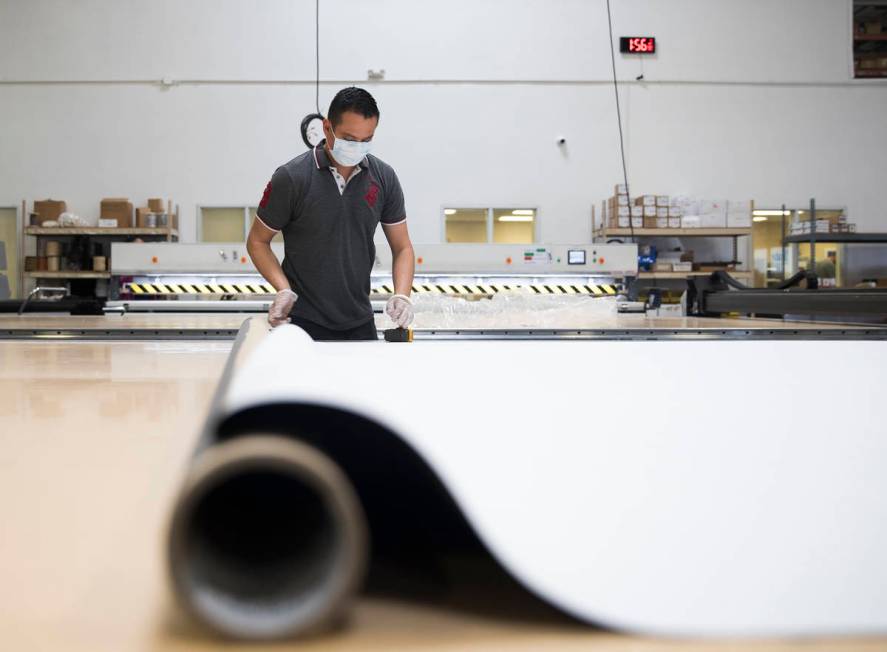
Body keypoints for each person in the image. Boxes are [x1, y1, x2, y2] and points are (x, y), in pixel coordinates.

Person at [247, 87, 415, 340]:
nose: (357, 147)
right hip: (302, 321)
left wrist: (402, 294)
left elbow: (402, 247)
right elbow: (257, 241)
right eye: (349, 138)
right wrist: (283, 290)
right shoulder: (292, 178)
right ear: (327, 128)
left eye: (366, 140)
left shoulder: (384, 177)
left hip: (359, 320)